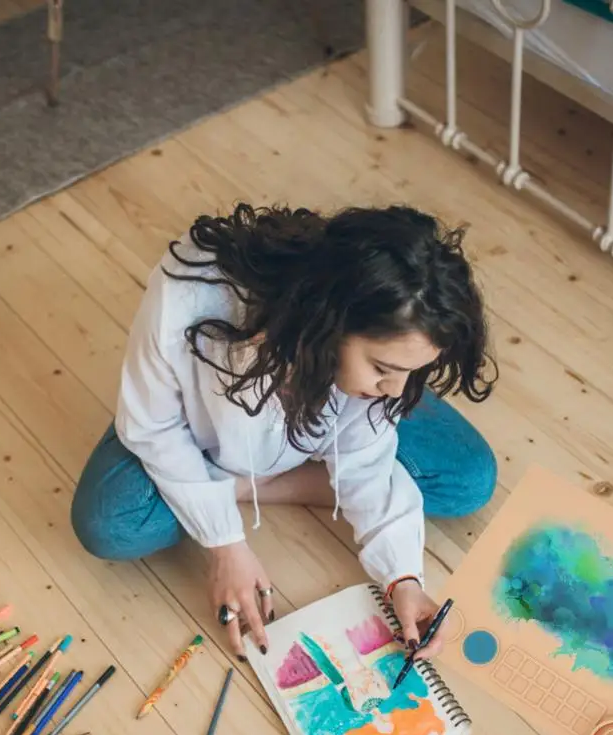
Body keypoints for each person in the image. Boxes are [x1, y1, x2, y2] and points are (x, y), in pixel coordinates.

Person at [71, 203, 498, 660]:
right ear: (326, 326)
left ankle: (254, 483)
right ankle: (250, 480)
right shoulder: (189, 292)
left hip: (303, 411)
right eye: (383, 368)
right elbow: (153, 427)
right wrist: (225, 545)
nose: (398, 390)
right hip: (198, 434)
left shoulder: (383, 381)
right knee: (109, 524)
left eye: (415, 371)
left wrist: (402, 579)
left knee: (469, 479)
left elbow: (367, 458)